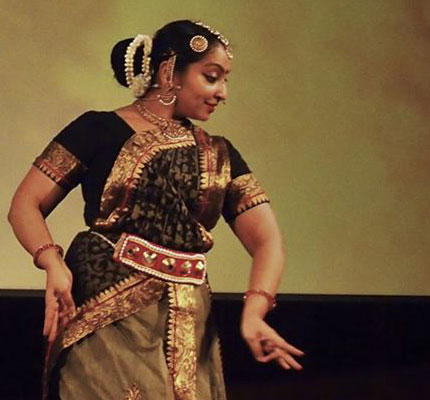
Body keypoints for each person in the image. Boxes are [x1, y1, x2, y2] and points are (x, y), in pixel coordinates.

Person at [8, 19, 303, 400]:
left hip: (189, 320)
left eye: (225, 80)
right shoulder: (98, 130)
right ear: (168, 72)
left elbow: (267, 241)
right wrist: (53, 263)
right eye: (211, 77)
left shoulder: (219, 154)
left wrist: (255, 312)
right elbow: (25, 204)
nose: (222, 93)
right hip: (106, 307)